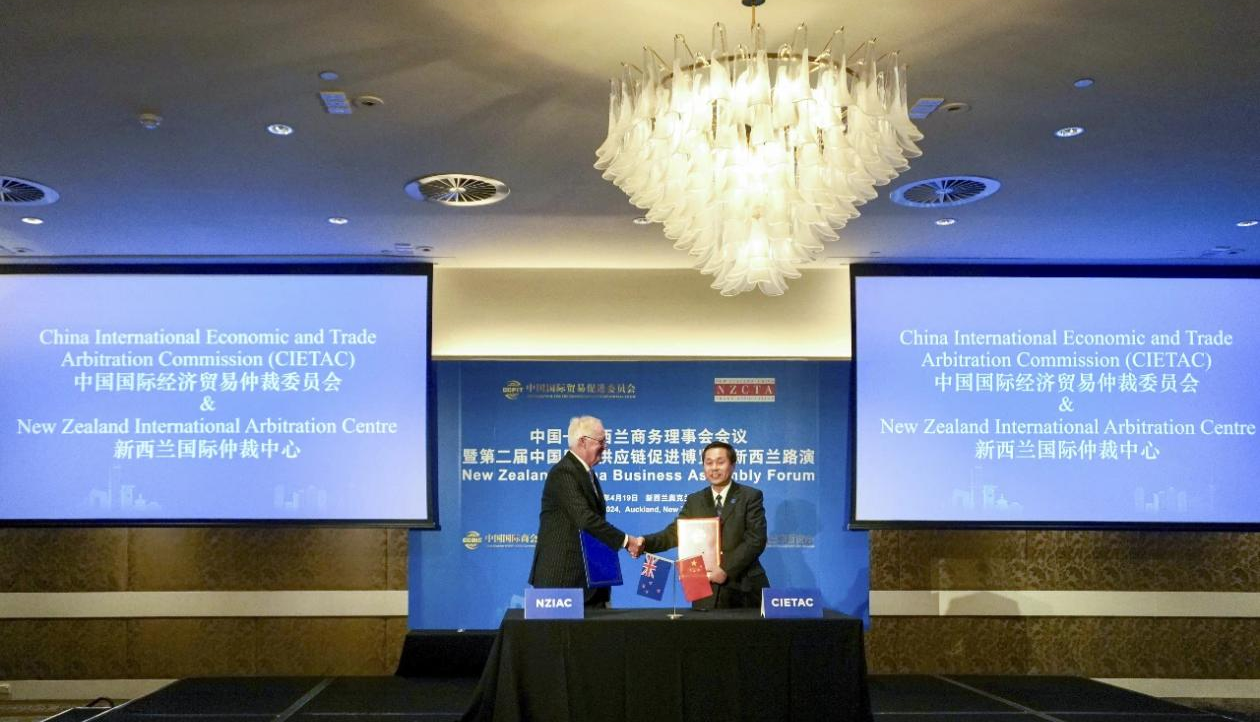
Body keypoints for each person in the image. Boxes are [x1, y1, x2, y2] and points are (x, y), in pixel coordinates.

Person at [635, 440, 769, 609]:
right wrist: (645, 542)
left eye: (720, 462)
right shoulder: (695, 500)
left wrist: (725, 569)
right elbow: (675, 533)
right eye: (709, 463)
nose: (714, 468)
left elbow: (755, 540)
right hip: (704, 589)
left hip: (743, 587)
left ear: (732, 465)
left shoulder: (750, 496)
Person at [528, 415, 644, 607]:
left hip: (591, 581)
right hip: (563, 583)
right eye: (601, 441)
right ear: (583, 441)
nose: (605, 447)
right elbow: (585, 519)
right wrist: (626, 541)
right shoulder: (564, 472)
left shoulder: (586, 473)